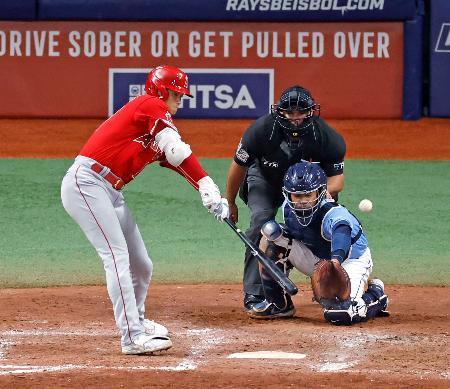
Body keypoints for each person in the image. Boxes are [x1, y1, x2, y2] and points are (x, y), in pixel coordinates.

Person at [61, 65, 229, 355]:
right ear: (162, 90)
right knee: (116, 257)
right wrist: (205, 182)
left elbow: (176, 161)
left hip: (110, 190)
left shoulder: (155, 123)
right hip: (86, 183)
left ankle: (137, 319)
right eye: (177, 93)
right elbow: (175, 150)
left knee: (141, 264)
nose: (181, 99)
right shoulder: (149, 105)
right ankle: (132, 336)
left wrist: (208, 191)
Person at [225, 85, 346, 311]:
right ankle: (256, 293)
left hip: (307, 188)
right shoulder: (261, 131)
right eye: (290, 113)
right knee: (260, 224)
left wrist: (321, 198)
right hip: (265, 179)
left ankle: (329, 285)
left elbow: (337, 181)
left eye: (301, 112)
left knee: (326, 229)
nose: (295, 118)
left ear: (311, 111)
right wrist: (230, 201)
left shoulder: (326, 137)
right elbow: (238, 166)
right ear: (280, 112)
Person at [247, 161, 389, 325]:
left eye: (308, 195)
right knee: (271, 235)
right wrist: (271, 236)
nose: (302, 201)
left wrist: (335, 263)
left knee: (342, 314)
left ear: (320, 192)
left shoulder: (334, 214)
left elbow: (341, 234)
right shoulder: (288, 209)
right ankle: (278, 304)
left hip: (350, 260)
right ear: (288, 194)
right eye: (297, 195)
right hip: (317, 260)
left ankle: (376, 295)